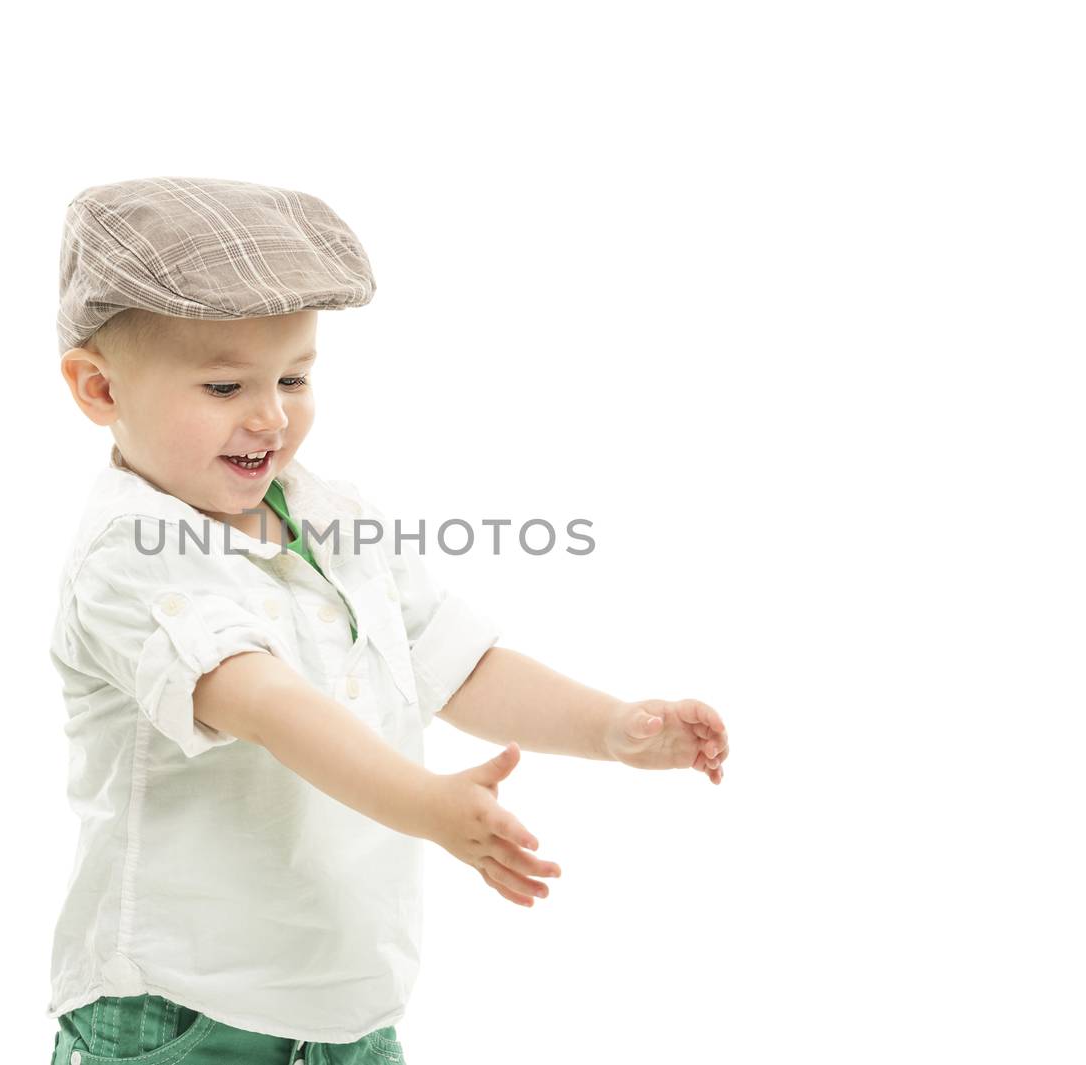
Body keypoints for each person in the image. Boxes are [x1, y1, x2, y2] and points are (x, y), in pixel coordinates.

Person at [46, 176, 730, 1065]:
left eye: (295, 375)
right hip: (184, 1005)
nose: (272, 414)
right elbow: (266, 703)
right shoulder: (130, 554)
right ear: (98, 388)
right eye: (223, 385)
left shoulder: (328, 514)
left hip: (345, 1004)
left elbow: (457, 661)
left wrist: (613, 727)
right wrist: (430, 805)